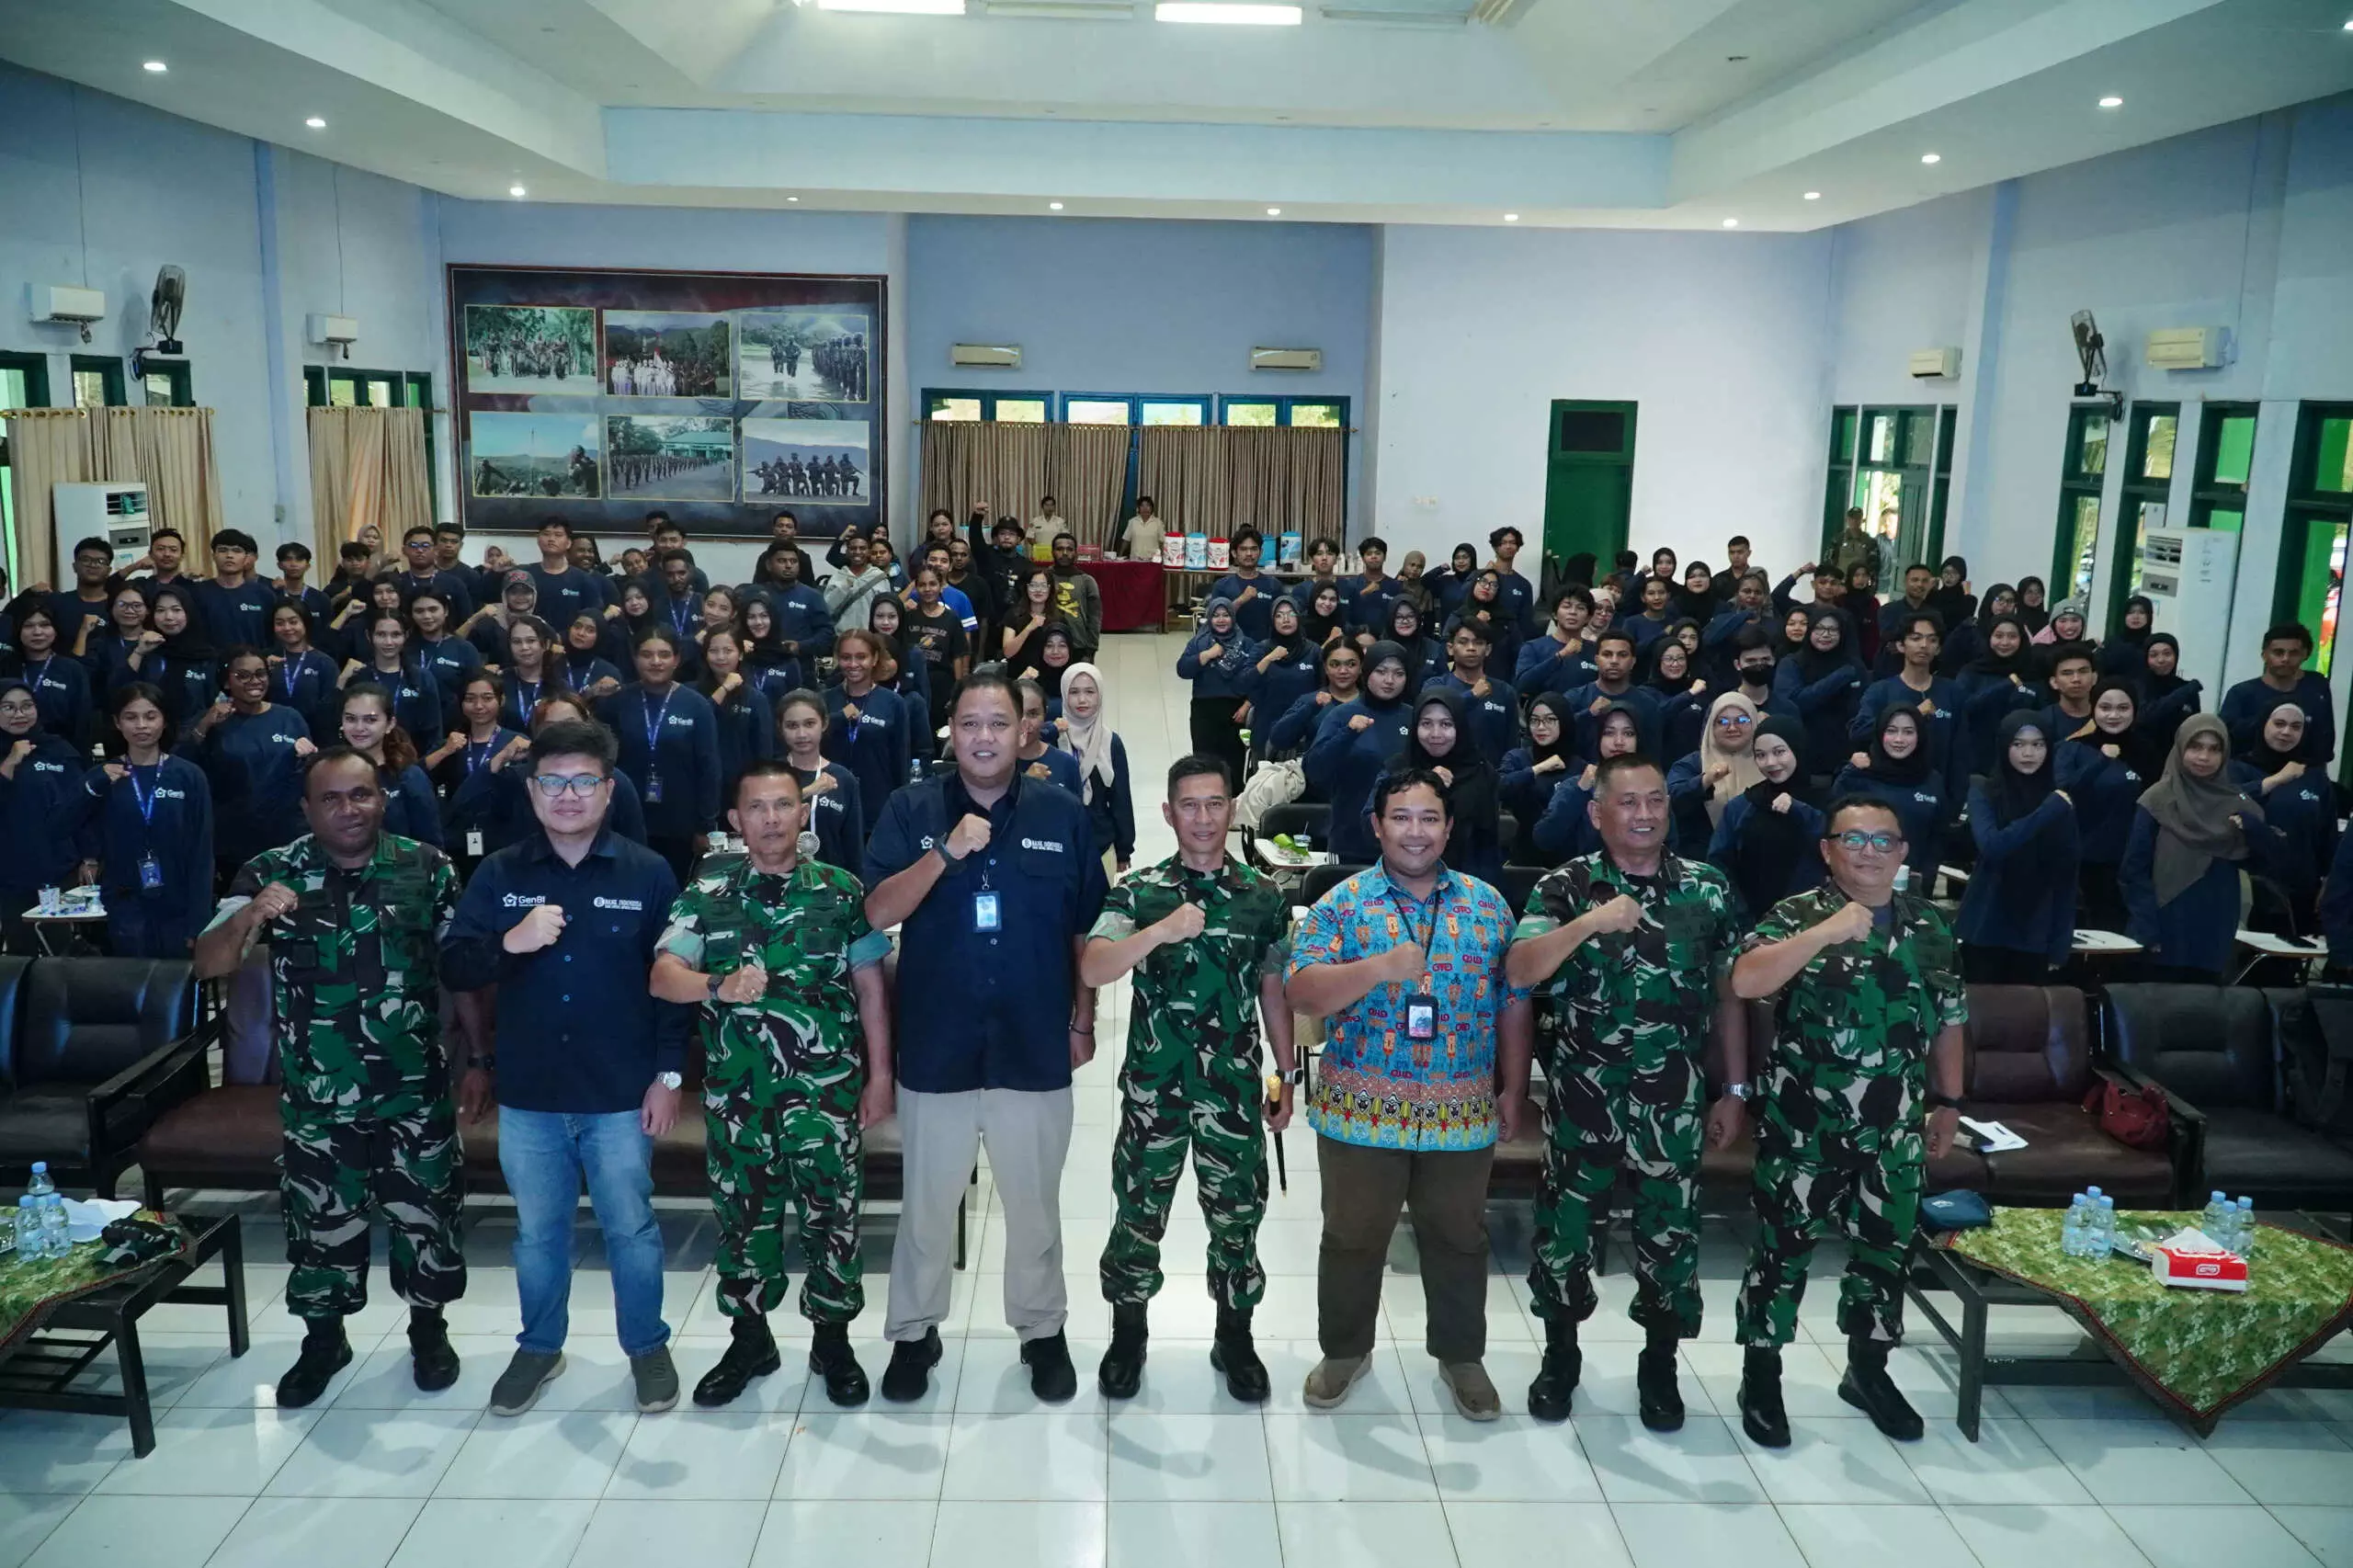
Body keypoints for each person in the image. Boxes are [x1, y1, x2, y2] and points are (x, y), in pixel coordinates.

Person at [192, 747, 468, 1407]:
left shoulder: (428, 868)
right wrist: (252, 914)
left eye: (363, 794)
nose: (350, 809)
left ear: (383, 797)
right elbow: (207, 964)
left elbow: (461, 973)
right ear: (307, 809)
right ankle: (325, 1340)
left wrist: (478, 1062)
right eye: (333, 799)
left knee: (428, 1220)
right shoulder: (271, 870)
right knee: (320, 1227)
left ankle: (428, 1332)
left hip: (414, 1093)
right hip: (320, 1100)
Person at [863, 671, 1108, 1403]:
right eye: (969, 724)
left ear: (1025, 731)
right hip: (937, 1043)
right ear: (951, 731)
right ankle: (913, 1334)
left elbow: (1084, 930)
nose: (984, 738)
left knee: (1034, 1204)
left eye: (998, 724)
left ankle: (1041, 1330)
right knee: (929, 1205)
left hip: (1034, 1043)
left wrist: (1084, 1019)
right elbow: (875, 913)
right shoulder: (911, 810)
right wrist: (944, 854)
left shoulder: (1063, 814)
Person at [441, 719, 687, 1417]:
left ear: (608, 792)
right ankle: (540, 1347)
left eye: (584, 782)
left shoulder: (648, 872)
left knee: (631, 1230)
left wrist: (667, 1077)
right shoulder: (500, 873)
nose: (569, 795)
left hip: (619, 1094)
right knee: (537, 1235)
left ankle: (646, 1347)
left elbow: (673, 983)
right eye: (554, 782)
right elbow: (454, 963)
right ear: (533, 790)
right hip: (532, 1095)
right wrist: (508, 943)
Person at [1508, 752, 1747, 1426]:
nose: (1644, 815)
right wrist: (1587, 923)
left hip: (1674, 1102)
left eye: (1655, 802)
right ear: (1597, 812)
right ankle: (1560, 1357)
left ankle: (1660, 1364)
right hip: (1584, 1100)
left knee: (1670, 1240)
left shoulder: (1706, 888)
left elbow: (1731, 995)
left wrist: (1734, 1088)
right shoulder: (1564, 887)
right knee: (1564, 1237)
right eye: (1629, 803)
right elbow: (1519, 972)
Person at [1286, 769, 1529, 1420]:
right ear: (1376, 825)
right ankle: (1344, 1351)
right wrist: (1380, 968)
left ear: (1448, 827)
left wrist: (1514, 1086)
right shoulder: (1343, 904)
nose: (1414, 831)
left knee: (1459, 1239)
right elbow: (1302, 993)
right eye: (1400, 817)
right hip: (1360, 1112)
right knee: (1351, 1237)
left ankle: (1461, 1357)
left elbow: (1513, 1003)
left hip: (1462, 1107)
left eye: (1428, 818)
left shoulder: (1488, 905)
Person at [649, 763, 893, 1408]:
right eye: (756, 807)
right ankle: (750, 1339)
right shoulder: (707, 891)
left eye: (784, 805)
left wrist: (882, 1076)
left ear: (803, 813)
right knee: (743, 1222)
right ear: (736, 820)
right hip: (740, 1100)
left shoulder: (841, 892)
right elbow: (663, 975)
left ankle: (832, 1342)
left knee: (832, 1220)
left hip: (826, 1095)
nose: (772, 818)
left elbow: (871, 989)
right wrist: (716, 985)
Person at [1730, 795, 1967, 1449]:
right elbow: (1746, 982)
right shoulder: (1798, 914)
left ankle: (1868, 1372)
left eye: (1882, 840)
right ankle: (1762, 1378)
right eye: (1852, 839)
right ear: (1827, 850)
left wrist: (1948, 1103)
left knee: (1884, 1254)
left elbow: (1950, 1019)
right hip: (1806, 1127)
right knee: (1781, 1256)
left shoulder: (1930, 926)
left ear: (1904, 852)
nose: (1868, 850)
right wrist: (1823, 934)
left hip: (1893, 1130)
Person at [1083, 756, 1295, 1401]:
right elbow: (1095, 968)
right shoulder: (1139, 890)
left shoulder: (1264, 897)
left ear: (1232, 810)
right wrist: (1160, 930)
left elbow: (1273, 988)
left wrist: (1285, 1075)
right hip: (1155, 1092)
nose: (1203, 818)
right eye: (1190, 805)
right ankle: (1129, 1333)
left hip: (1231, 1091)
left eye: (1214, 803)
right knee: (1138, 1214)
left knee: (1237, 1217)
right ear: (1168, 812)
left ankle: (1235, 1333)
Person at [2120, 714, 2276, 981]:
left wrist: (2254, 829)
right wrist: (2147, 928)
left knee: (2204, 1011)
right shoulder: (2158, 799)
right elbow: (2133, 871)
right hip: (2163, 922)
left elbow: (2267, 862)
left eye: (2214, 749)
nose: (2204, 757)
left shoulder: (2238, 804)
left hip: (2214, 925)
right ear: (2180, 748)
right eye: (2195, 747)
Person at [80, 684, 213, 957]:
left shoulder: (189, 775)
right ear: (117, 723)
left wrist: (198, 922)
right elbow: (59, 825)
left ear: (164, 721)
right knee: (132, 991)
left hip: (178, 905)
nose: (141, 725)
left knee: (176, 993)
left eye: (151, 716)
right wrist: (93, 783)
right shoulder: (104, 775)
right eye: (131, 717)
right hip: (125, 904)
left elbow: (202, 851)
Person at [1957, 713, 2079, 983]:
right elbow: (1993, 846)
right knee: (1980, 1017)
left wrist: (2061, 943)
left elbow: (2067, 875)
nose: (2028, 753)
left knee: (2029, 1019)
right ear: (2003, 746)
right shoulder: (1983, 790)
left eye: (2038, 745)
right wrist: (2047, 811)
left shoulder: (2058, 801)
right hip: (1984, 925)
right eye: (2018, 744)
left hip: (2035, 929)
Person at [603, 626, 722, 881]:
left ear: (677, 659)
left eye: (664, 655)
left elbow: (709, 768)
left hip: (681, 822)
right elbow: (603, 762)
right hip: (627, 817)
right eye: (647, 654)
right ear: (635, 659)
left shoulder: (696, 705)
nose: (656, 662)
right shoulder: (618, 701)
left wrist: (705, 826)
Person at [0, 678, 95, 952]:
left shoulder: (59, 751)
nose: (19, 714)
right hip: (9, 874)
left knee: (58, 952)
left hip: (58, 870)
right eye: (8, 707)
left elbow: (83, 804)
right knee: (21, 953)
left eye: (26, 706)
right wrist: (9, 763)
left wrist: (89, 856)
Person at [2058, 681, 2160, 932]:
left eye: (2123, 708)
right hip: (2081, 861)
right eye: (2105, 707)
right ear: (2093, 709)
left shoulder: (2149, 752)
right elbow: (2063, 793)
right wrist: (2102, 760)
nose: (2114, 715)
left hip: (2132, 863)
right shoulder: (2075, 748)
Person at [1305, 642, 1415, 867]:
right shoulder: (1342, 715)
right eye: (1381, 672)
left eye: (1398, 673)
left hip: (1406, 844)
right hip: (1350, 843)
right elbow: (1314, 770)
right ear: (1367, 673)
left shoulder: (1415, 717)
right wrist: (1347, 733)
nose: (1389, 680)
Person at [2231, 699, 2336, 930]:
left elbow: (2327, 835)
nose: (2286, 732)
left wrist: (2328, 882)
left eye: (2296, 727)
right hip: (2248, 890)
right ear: (2263, 724)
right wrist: (2276, 780)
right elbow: (2225, 802)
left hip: (2302, 890)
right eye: (2279, 723)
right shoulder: (2238, 768)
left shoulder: (2315, 777)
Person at [1708, 717, 1825, 920]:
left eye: (1779, 752)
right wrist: (1741, 915)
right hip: (1754, 925)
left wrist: (1799, 809)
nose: (1770, 763)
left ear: (1797, 748)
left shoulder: (1826, 799)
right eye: (1760, 755)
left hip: (1815, 921)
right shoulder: (1742, 806)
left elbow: (1835, 848)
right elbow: (1719, 865)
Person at [1852, 610, 1966, 803]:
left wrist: (1957, 799)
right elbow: (1858, 732)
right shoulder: (1881, 690)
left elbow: (1960, 752)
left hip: (1935, 795)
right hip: (1886, 792)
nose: (1924, 645)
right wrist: (1913, 715)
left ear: (1938, 648)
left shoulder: (1952, 691)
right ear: (1900, 645)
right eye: (1916, 638)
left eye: (1932, 640)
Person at [1832, 707, 1946, 887]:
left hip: (1912, 884)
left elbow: (1937, 836)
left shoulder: (1933, 780)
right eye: (1891, 731)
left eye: (1908, 732)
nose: (1899, 739)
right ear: (1879, 733)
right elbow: (1834, 830)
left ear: (1920, 736)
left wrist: (1926, 875)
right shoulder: (1859, 774)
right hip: (1858, 882)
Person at [1404, 687, 1505, 888]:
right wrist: (1421, 784)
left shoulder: (1483, 773)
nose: (1435, 733)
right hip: (1405, 884)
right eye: (1426, 724)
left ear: (1460, 726)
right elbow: (1372, 830)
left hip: (1467, 890)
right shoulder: (1397, 770)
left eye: (1446, 724)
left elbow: (1487, 847)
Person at [427, 672, 523, 868]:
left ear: (501, 700)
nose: (479, 706)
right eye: (470, 699)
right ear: (461, 703)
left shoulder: (516, 743)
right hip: (458, 839)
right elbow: (416, 776)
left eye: (487, 698)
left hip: (505, 839)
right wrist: (445, 751)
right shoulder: (451, 743)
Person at [1531, 704, 1646, 862]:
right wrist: (1581, 790)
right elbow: (1544, 839)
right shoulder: (1576, 785)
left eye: (1628, 733)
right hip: (1583, 880)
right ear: (1598, 738)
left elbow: (1668, 845)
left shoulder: (1651, 786)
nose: (1619, 741)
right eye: (1609, 733)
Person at [774, 687, 866, 877]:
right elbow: (766, 818)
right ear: (780, 728)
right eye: (792, 726)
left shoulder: (843, 779)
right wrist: (809, 791)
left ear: (824, 724)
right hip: (777, 885)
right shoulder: (770, 775)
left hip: (831, 888)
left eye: (809, 724)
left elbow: (853, 847)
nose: (801, 734)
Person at [338, 682, 442, 847]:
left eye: (370, 720)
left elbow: (431, 846)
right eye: (351, 719)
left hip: (401, 870)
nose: (359, 728)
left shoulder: (409, 777)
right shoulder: (331, 775)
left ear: (390, 724)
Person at [1053, 664, 1133, 877]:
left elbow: (1121, 798)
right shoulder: (1052, 739)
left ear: (1100, 696)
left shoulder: (1111, 742)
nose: (1082, 700)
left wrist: (1124, 849)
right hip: (1058, 845)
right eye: (1074, 692)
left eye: (1090, 692)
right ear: (1063, 695)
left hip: (1100, 843)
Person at [2222, 622, 2336, 771]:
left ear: (2305, 655)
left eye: (2294, 653)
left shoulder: (2316, 687)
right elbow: (2225, 741)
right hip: (2252, 774)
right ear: (2264, 655)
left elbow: (2325, 740)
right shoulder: (2241, 693)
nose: (2285, 659)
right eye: (2278, 652)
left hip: (2303, 774)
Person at [1176, 597, 1261, 790]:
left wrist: (1247, 705)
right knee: (1204, 764)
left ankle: (1233, 812)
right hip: (1204, 711)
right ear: (1209, 618)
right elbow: (1182, 670)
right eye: (1216, 616)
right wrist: (1205, 655)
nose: (1221, 620)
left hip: (1236, 713)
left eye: (1226, 615)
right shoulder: (1199, 643)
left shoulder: (1247, 644)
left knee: (1234, 766)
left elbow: (1258, 679)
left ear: (1233, 618)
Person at [1668, 692, 1760, 854]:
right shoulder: (1693, 763)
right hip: (1704, 863)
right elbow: (1670, 801)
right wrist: (1704, 782)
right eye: (1722, 721)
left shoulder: (1768, 761)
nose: (1732, 728)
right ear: (1711, 726)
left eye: (1742, 720)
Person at [1774, 609, 1863, 776]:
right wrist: (1839, 677)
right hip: (1803, 753)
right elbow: (1794, 704)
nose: (1825, 634)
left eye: (1833, 630)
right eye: (1819, 628)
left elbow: (1863, 707)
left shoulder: (1854, 665)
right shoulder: (1792, 663)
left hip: (1846, 755)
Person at [697, 626, 775, 804]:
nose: (721, 657)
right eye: (714, 651)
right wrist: (723, 689)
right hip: (699, 786)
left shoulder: (756, 699)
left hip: (741, 790)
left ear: (740, 654)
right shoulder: (692, 693)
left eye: (728, 651)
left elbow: (764, 753)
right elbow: (698, 723)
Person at [1954, 613, 2038, 776]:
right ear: (1988, 637)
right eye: (1998, 636)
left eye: (2012, 636)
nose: (2005, 643)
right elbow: (1963, 707)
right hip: (1976, 763)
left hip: (2023, 763)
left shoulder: (2032, 672)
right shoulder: (1972, 672)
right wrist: (2006, 685)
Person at [1428, 621, 1518, 765]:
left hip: (1491, 779)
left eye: (1478, 643)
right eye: (1463, 642)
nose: (1471, 648)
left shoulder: (1505, 692)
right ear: (1450, 649)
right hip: (1445, 776)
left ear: (1488, 650)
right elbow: (1434, 717)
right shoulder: (1436, 685)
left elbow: (1512, 745)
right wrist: (1472, 696)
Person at [5, 603, 95, 743]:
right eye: (28, 626)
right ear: (18, 630)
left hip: (61, 751)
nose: (37, 632)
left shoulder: (72, 669)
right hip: (8, 750)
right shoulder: (5, 667)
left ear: (56, 630)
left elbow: (82, 722)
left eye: (45, 625)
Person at [1500, 692, 1577, 851]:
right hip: (1525, 850)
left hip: (1568, 853)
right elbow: (1498, 788)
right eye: (1535, 721)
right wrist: (1538, 768)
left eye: (1550, 720)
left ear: (1564, 721)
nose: (1541, 727)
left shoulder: (1578, 765)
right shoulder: (1518, 758)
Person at [1267, 640, 1363, 762]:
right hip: (1319, 776)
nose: (1343, 671)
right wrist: (1309, 708)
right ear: (1325, 668)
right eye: (1335, 664)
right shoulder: (1310, 701)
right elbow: (1279, 740)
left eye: (1351, 664)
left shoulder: (1373, 702)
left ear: (1361, 667)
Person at [193, 529, 278, 651]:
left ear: (246, 558)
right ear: (213, 556)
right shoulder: (197, 593)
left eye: (237, 551)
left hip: (256, 666)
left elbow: (274, 637)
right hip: (211, 666)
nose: (229, 555)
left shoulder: (264, 595)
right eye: (222, 550)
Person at [267, 601, 341, 737]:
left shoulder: (324, 662)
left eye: (293, 622)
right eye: (280, 623)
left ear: (305, 623)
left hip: (314, 736)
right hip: (274, 735)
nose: (287, 628)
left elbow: (331, 708)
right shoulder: (267, 660)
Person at [1516, 588, 1597, 700]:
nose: (1573, 612)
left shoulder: (1596, 650)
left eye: (1580, 608)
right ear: (1554, 614)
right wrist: (1560, 656)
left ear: (1588, 618)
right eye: (1566, 606)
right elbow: (1522, 686)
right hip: (1543, 714)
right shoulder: (1533, 647)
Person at [1048, 534, 1105, 661]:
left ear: (1076, 553)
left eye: (1069, 549)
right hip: (1047, 644)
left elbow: (1095, 619)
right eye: (1059, 549)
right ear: (1052, 552)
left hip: (1079, 645)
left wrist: (1091, 649)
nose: (1064, 553)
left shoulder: (1087, 581)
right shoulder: (1043, 578)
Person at [824, 534, 892, 631]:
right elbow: (827, 609)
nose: (857, 552)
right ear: (847, 552)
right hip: (842, 637)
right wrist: (845, 586)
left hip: (870, 637)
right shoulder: (838, 577)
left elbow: (886, 611)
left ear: (869, 552)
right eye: (853, 548)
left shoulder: (879, 578)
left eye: (862, 548)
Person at [1120, 495, 1165, 562]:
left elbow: (1163, 542)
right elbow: (1126, 540)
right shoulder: (1132, 522)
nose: (1145, 508)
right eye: (1142, 506)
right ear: (1138, 508)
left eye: (1148, 505)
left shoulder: (1158, 523)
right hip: (1135, 560)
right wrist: (1120, 555)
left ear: (1151, 508)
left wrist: (1164, 559)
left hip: (1153, 561)